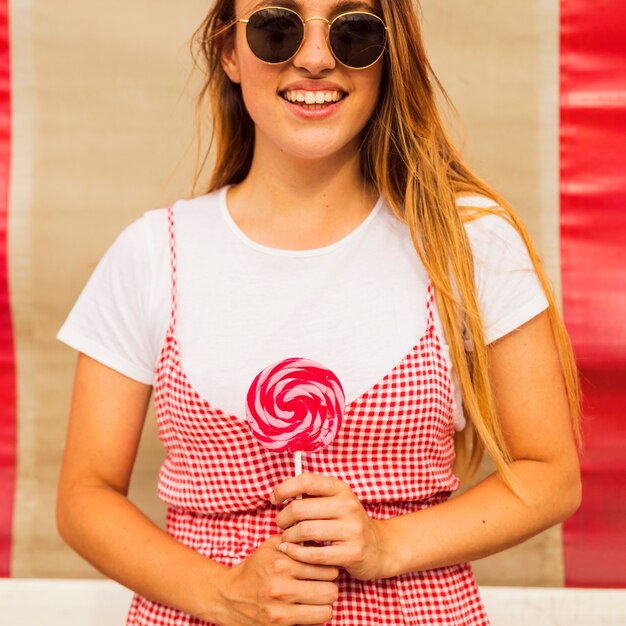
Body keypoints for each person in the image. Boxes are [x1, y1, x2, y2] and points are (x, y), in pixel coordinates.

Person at [55, 1, 582, 624]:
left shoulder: (469, 242)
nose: (314, 58)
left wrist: (387, 545)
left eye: (353, 30)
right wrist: (221, 593)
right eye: (276, 27)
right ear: (229, 50)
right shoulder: (151, 253)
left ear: (389, 56)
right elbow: (84, 496)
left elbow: (551, 475)